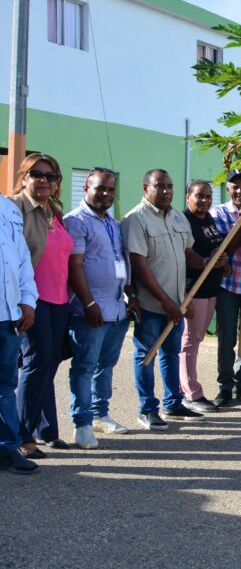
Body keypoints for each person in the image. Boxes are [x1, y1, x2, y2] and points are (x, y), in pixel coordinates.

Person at [122, 169, 207, 428]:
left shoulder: (178, 217)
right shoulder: (136, 220)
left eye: (170, 186)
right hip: (151, 305)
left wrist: (207, 263)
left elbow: (187, 254)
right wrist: (166, 301)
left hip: (176, 303)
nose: (167, 191)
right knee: (145, 355)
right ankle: (147, 409)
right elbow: (139, 265)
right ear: (145, 188)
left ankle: (174, 404)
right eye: (160, 186)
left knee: (171, 353)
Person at [65, 168, 138, 445]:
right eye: (100, 189)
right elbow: (75, 265)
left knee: (105, 365)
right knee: (84, 367)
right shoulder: (76, 221)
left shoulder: (113, 222)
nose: (106, 194)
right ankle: (82, 423)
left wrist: (131, 296)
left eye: (111, 190)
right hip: (90, 311)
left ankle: (100, 414)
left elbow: (122, 262)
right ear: (86, 187)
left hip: (117, 310)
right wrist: (88, 302)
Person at [11, 154, 74, 455]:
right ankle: (22, 437)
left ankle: (46, 428)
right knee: (36, 363)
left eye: (52, 176)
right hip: (31, 300)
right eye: (37, 174)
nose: (45, 180)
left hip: (59, 298)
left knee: (49, 362)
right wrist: (23, 302)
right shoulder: (14, 209)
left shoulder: (55, 212)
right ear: (24, 177)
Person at [209, 169, 241, 407]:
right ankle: (225, 386)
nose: (240, 191)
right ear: (228, 189)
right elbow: (226, 248)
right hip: (228, 286)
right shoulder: (218, 212)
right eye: (235, 187)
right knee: (227, 336)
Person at [179, 180, 227, 414]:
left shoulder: (209, 220)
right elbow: (184, 256)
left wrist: (222, 260)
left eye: (208, 196)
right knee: (189, 341)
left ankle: (185, 389)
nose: (205, 200)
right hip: (194, 289)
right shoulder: (183, 221)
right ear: (188, 196)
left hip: (211, 288)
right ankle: (190, 393)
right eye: (199, 196)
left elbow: (214, 249)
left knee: (195, 340)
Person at [0, 187, 38, 473]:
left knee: (5, 386)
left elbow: (22, 260)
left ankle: (8, 449)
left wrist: (28, 301)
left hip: (9, 315)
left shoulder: (9, 209)